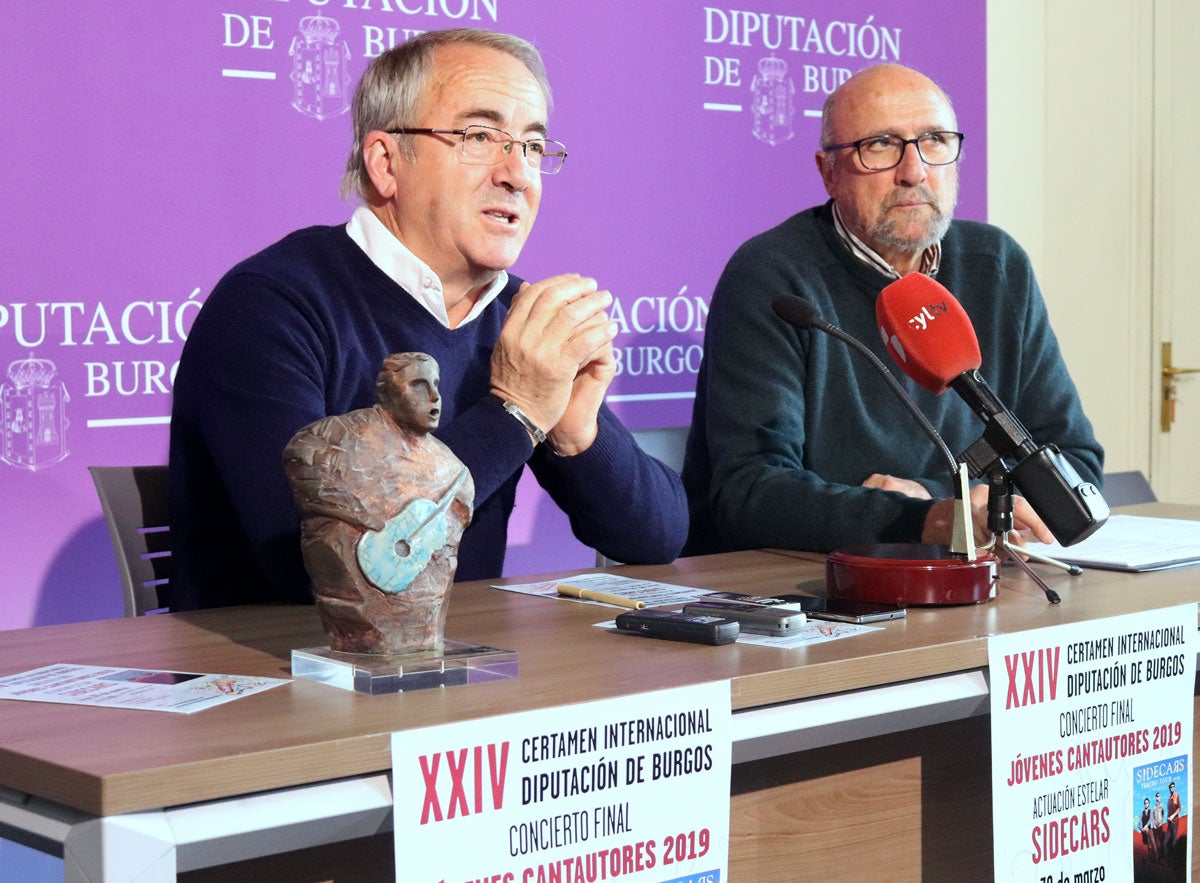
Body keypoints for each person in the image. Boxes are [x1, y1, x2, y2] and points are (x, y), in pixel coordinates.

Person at [169, 28, 687, 609]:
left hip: (462, 673)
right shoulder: (269, 306)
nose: (517, 174)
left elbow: (655, 538)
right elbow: (322, 567)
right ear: (387, 163)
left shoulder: (514, 316)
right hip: (281, 677)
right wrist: (514, 413)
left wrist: (576, 434)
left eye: (533, 146)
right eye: (479, 136)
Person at [681, 63, 1103, 555]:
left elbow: (1073, 468)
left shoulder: (997, 266)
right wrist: (932, 518)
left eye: (935, 141)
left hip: (972, 581)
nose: (914, 171)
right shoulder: (774, 278)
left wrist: (936, 504)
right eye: (880, 145)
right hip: (798, 585)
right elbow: (749, 493)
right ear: (828, 171)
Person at [283, 354, 474, 653]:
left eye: (436, 385)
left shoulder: (454, 471)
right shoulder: (336, 437)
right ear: (387, 393)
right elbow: (299, 457)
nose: (434, 397)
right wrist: (353, 509)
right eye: (419, 385)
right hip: (356, 614)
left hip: (426, 621)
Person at [1166, 781, 1181, 852]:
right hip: (1169, 824)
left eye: (1173, 786)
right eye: (1171, 787)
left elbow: (1179, 808)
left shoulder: (1176, 795)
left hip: (1175, 822)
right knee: (1164, 843)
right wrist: (1168, 818)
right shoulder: (1169, 799)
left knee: (1173, 843)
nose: (1172, 788)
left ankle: (1174, 860)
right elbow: (1169, 810)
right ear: (1169, 788)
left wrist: (1173, 816)